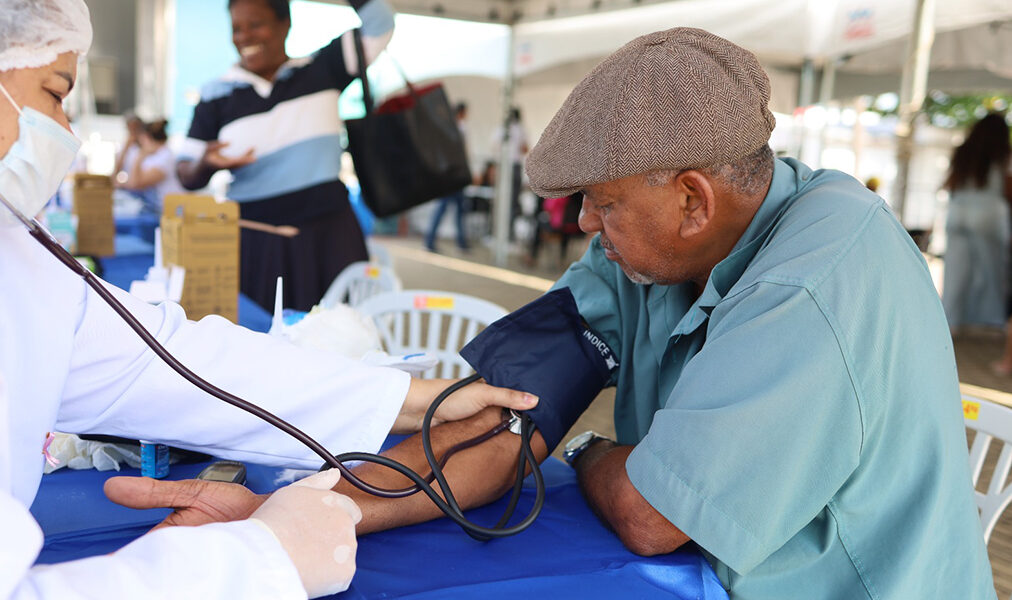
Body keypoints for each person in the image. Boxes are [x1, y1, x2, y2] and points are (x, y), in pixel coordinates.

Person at [98, 28, 996, 600]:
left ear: (691, 198)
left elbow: (650, 515)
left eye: (602, 204)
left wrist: (591, 451)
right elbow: (500, 416)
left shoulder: (815, 281)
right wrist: (289, 508)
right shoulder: (651, 248)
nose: (585, 229)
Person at [0, 2, 537, 597]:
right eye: (56, 92)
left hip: (318, 232)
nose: (67, 131)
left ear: (285, 24)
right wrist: (256, 563)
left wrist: (415, 401)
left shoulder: (20, 263)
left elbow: (169, 361)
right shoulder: (219, 94)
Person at [176, 0, 395, 313]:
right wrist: (206, 164)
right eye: (236, 28)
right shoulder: (216, 94)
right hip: (257, 242)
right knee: (262, 333)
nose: (244, 36)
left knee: (339, 329)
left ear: (285, 24)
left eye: (256, 24)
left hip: (329, 235)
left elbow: (380, 21)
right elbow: (185, 174)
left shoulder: (324, 69)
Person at [941, 112, 1012, 335]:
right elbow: (1008, 190)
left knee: (955, 271)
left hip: (958, 211)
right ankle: (989, 322)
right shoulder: (1003, 155)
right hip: (989, 213)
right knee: (992, 272)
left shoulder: (963, 152)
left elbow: (950, 184)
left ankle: (951, 321)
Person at [425, 102, 470, 253]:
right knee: (454, 209)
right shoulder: (459, 129)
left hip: (448, 174)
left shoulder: (446, 128)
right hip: (455, 174)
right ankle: (459, 242)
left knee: (447, 208)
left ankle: (432, 240)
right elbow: (462, 153)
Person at [115, 118, 184, 214]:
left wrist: (140, 157)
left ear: (145, 137)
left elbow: (135, 184)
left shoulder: (165, 157)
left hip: (168, 211)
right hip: (159, 209)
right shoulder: (156, 156)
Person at [490, 107, 529, 241]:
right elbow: (525, 148)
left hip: (503, 166)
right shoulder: (521, 129)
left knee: (500, 200)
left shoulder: (501, 129)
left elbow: (493, 146)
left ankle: (495, 232)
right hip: (514, 167)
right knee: (513, 201)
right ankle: (509, 235)